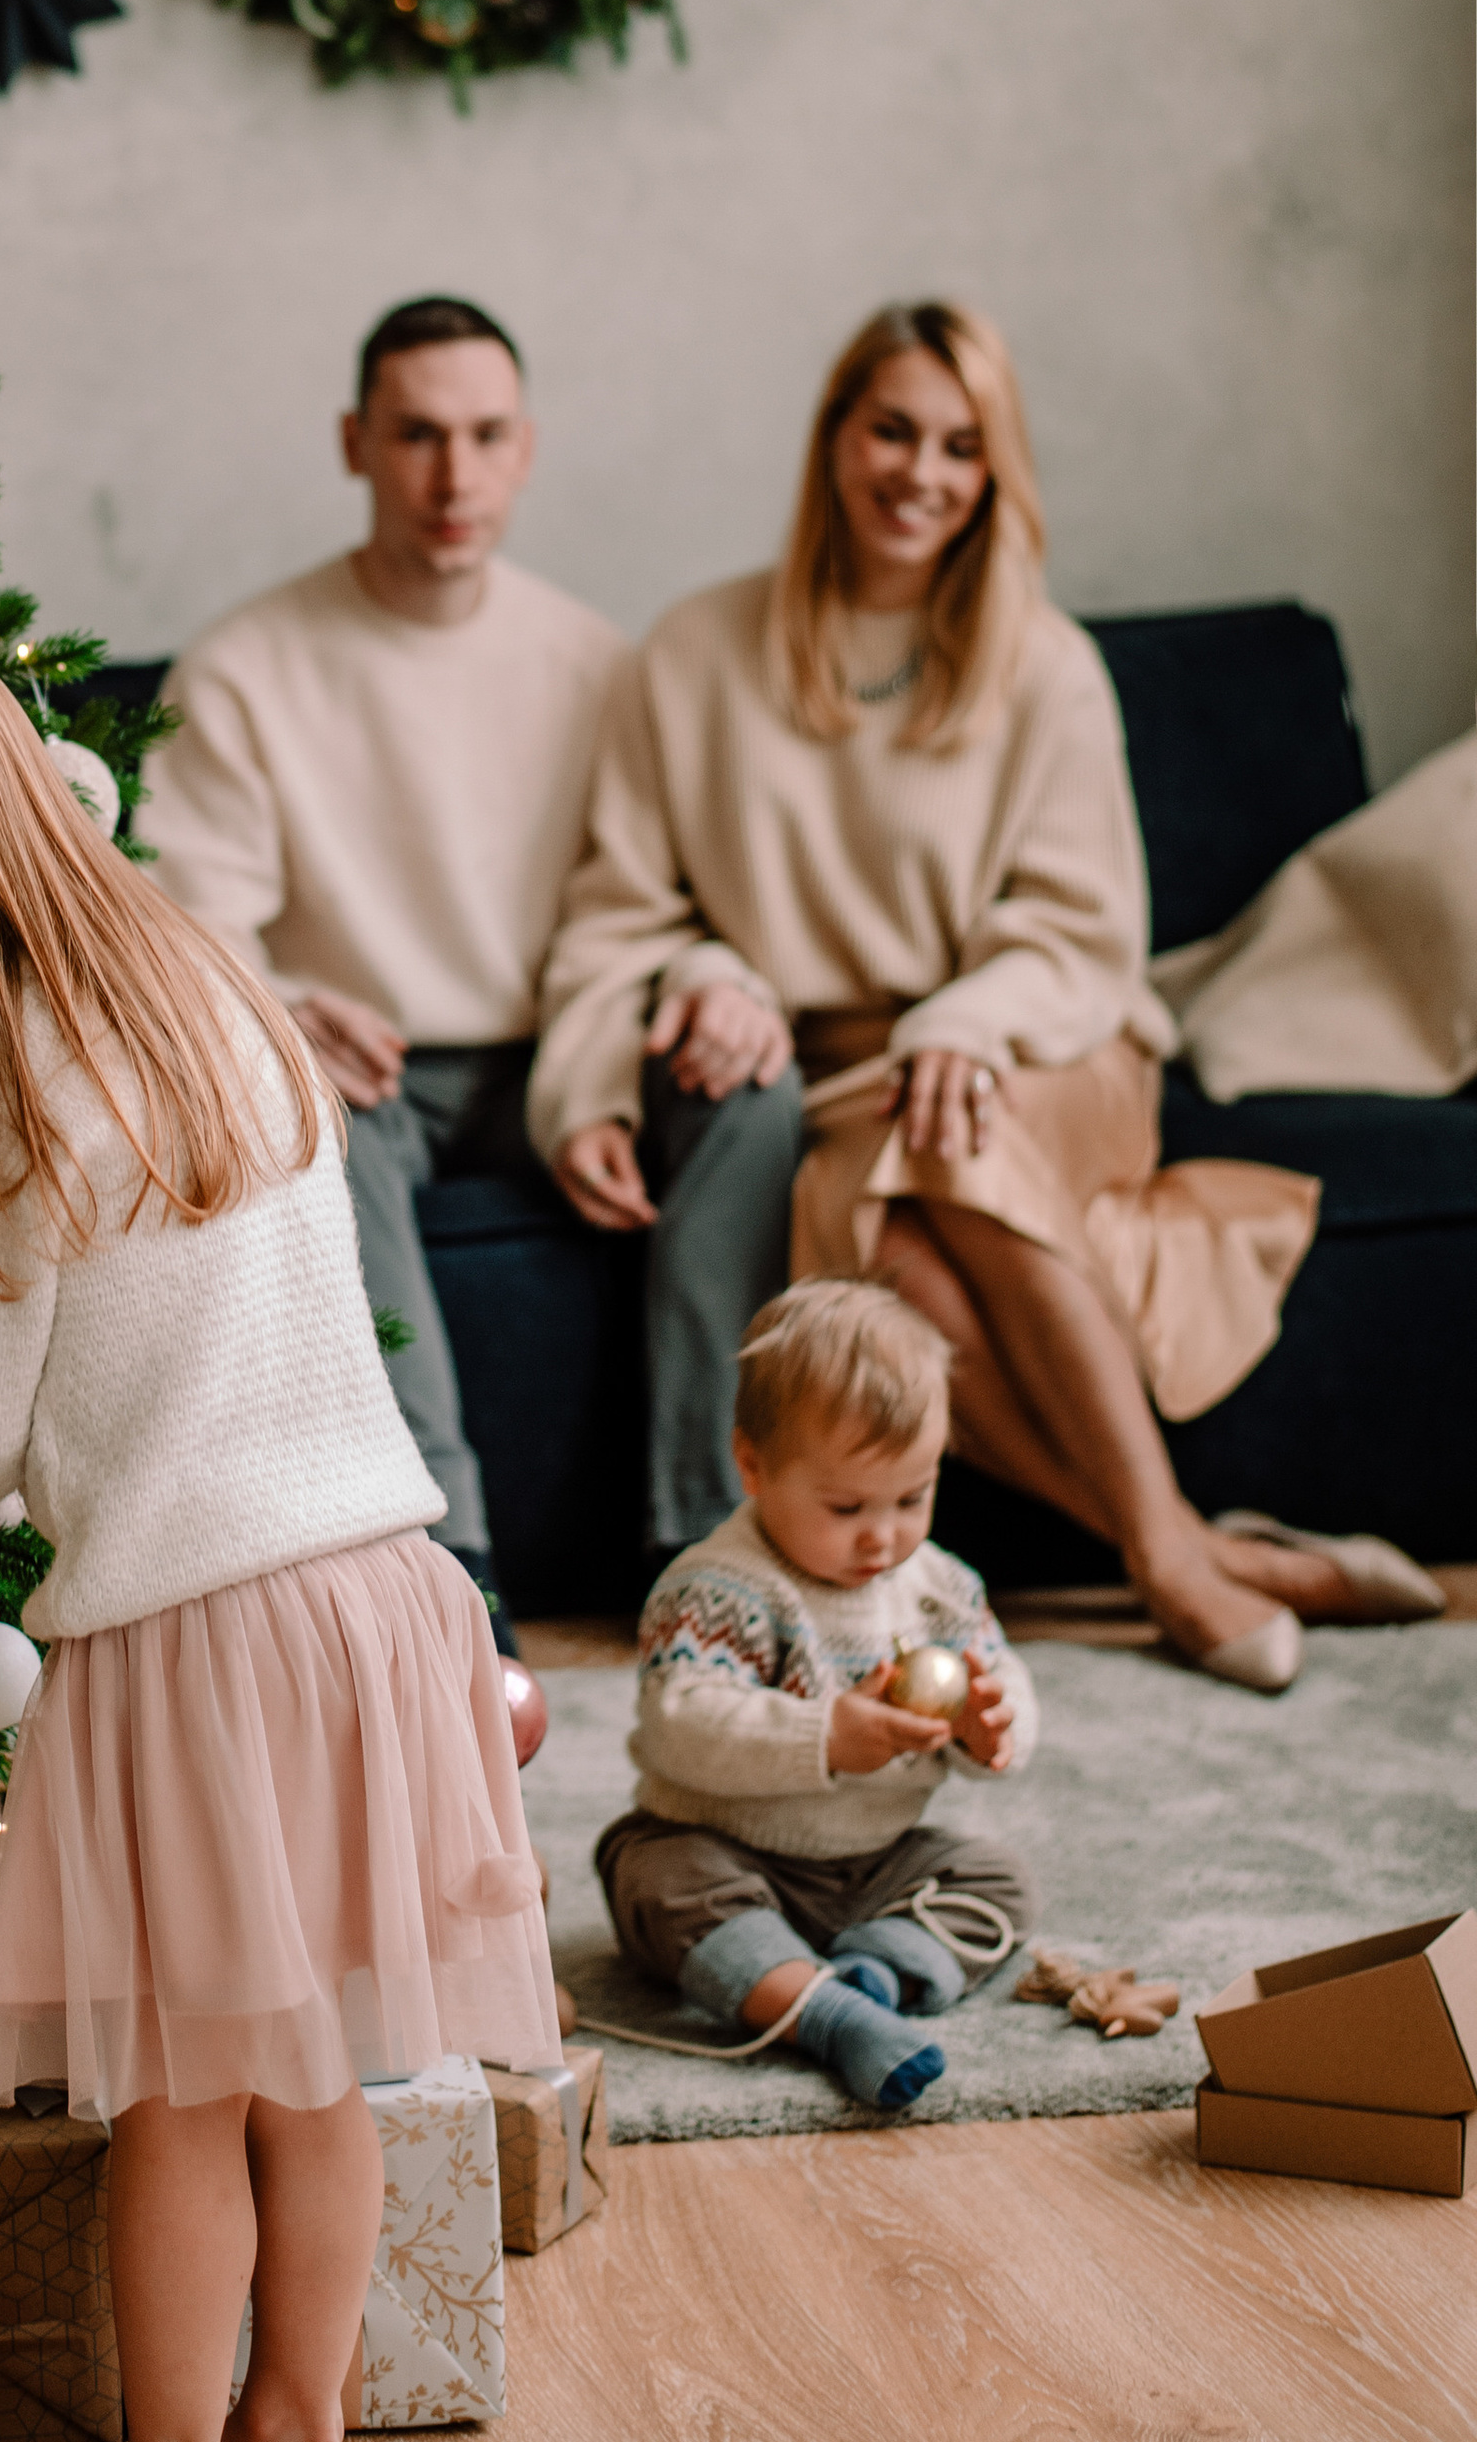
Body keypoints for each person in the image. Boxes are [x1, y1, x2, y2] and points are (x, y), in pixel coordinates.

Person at [0, 615, 558, 2442]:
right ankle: (295, 2436)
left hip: (192, 1642)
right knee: (319, 2071)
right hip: (373, 1592)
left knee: (175, 2103)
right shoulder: (197, 985)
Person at [530, 298, 1408, 1694]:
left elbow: (1083, 931)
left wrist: (966, 1018)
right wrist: (694, 983)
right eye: (892, 429)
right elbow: (624, 908)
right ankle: (1184, 1541)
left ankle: (1174, 1565)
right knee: (900, 1248)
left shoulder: (1044, 663)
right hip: (840, 1084)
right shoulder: (692, 651)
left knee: (953, 1129)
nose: (919, 472)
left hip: (1045, 1040)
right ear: (835, 436)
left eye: (960, 444)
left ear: (995, 471)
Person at [144, 294, 802, 1617]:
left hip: (574, 1045)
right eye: (418, 435)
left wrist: (713, 982)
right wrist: (274, 1006)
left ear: (526, 447)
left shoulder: (596, 659)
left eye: (485, 435)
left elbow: (660, 897)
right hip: (370, 1069)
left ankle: (702, 1540)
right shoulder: (242, 666)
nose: (454, 476)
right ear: (356, 443)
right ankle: (451, 1566)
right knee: (306, 1110)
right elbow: (176, 924)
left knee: (756, 1092)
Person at [596, 1280, 1035, 2114]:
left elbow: (1000, 1675)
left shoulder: (938, 1587)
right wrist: (825, 1737)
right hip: (726, 1844)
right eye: (846, 1506)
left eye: (913, 1497)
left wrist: (991, 1726)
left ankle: (877, 1970)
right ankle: (829, 2017)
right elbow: (679, 1726)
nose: (884, 1535)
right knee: (651, 1875)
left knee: (997, 1877)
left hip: (875, 1862)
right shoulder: (720, 1588)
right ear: (753, 1466)